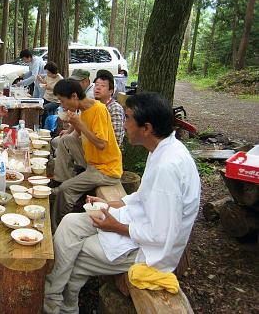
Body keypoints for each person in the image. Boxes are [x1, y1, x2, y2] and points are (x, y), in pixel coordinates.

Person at [44, 92, 201, 314]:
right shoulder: (161, 149)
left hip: (150, 250)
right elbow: (142, 197)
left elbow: (162, 234)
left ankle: (59, 305)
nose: (124, 125)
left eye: (127, 118)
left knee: (76, 253)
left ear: (146, 128)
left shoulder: (168, 167)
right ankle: (54, 299)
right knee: (70, 222)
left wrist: (114, 226)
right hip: (136, 223)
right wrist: (111, 205)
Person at [49, 79, 122, 232]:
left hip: (105, 169)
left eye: (63, 101)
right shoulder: (84, 110)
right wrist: (73, 124)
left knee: (65, 190)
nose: (62, 105)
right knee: (66, 140)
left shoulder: (99, 109)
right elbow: (77, 135)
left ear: (74, 96)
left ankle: (57, 228)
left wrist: (79, 124)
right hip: (91, 160)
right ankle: (60, 179)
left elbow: (101, 144)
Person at [93, 70, 125, 146]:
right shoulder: (94, 105)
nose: (98, 88)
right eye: (96, 85)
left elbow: (116, 140)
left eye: (102, 86)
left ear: (111, 91)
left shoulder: (115, 108)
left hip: (107, 153)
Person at [40, 61, 63, 128]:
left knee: (45, 108)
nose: (48, 74)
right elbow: (45, 83)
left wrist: (51, 88)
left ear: (54, 72)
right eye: (47, 72)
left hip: (55, 101)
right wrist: (41, 80)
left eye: (49, 72)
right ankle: (40, 124)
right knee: (38, 108)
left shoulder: (60, 79)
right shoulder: (48, 76)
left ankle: (45, 127)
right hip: (46, 97)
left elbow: (61, 91)